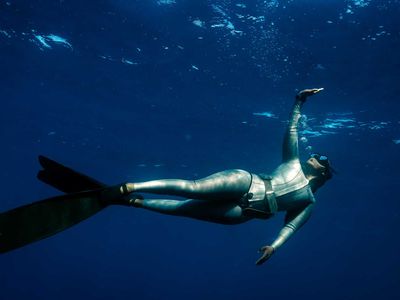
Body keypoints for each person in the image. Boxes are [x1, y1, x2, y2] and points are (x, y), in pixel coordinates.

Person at [0, 88, 333, 266]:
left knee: (181, 209)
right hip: (248, 182)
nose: (316, 155)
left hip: (245, 213)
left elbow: (289, 228)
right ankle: (130, 186)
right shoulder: (293, 162)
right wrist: (298, 103)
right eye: (317, 155)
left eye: (321, 159)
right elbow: (290, 131)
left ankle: (134, 201)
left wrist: (273, 248)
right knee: (193, 188)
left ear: (324, 174)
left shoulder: (309, 201)